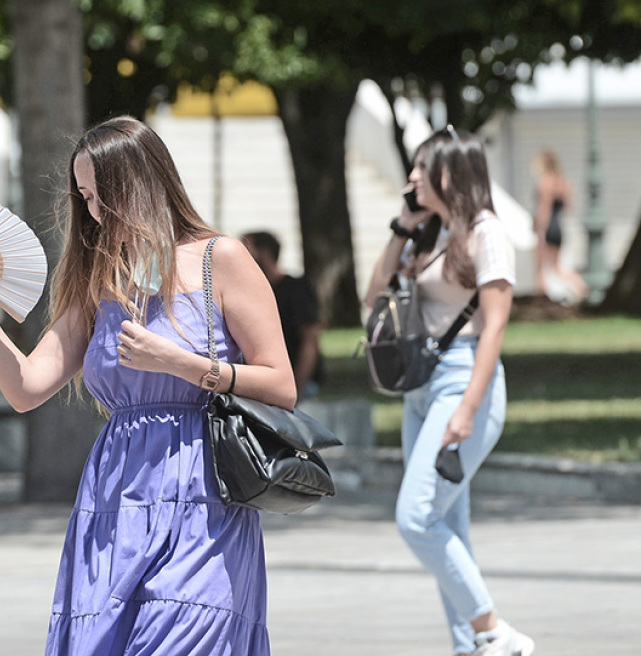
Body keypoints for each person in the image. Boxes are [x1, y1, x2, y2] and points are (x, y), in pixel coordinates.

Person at [0, 116, 294, 655]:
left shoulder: (223, 259)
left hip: (205, 496)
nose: (95, 212)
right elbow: (26, 386)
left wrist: (179, 363)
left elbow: (281, 384)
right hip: (116, 498)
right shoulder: (98, 277)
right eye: (85, 198)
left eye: (103, 195)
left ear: (144, 184)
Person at [364, 126, 534, 656]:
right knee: (445, 523)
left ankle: (493, 631)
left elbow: (496, 327)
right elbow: (373, 297)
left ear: (449, 173)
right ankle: (472, 647)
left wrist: (468, 407)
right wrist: (401, 230)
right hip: (422, 388)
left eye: (421, 167)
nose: (411, 176)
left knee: (415, 518)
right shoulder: (431, 231)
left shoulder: (485, 232)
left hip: (463, 381)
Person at [241, 230, 323, 402]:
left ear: (265, 253)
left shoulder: (295, 289)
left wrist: (297, 387)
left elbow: (310, 338)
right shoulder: (250, 293)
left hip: (297, 386)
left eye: (245, 249)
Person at [531, 149, 588, 303]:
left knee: (540, 268)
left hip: (547, 227)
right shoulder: (563, 181)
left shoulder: (544, 181)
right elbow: (569, 206)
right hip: (559, 226)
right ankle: (581, 287)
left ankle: (540, 301)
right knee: (557, 267)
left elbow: (544, 208)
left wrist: (539, 229)